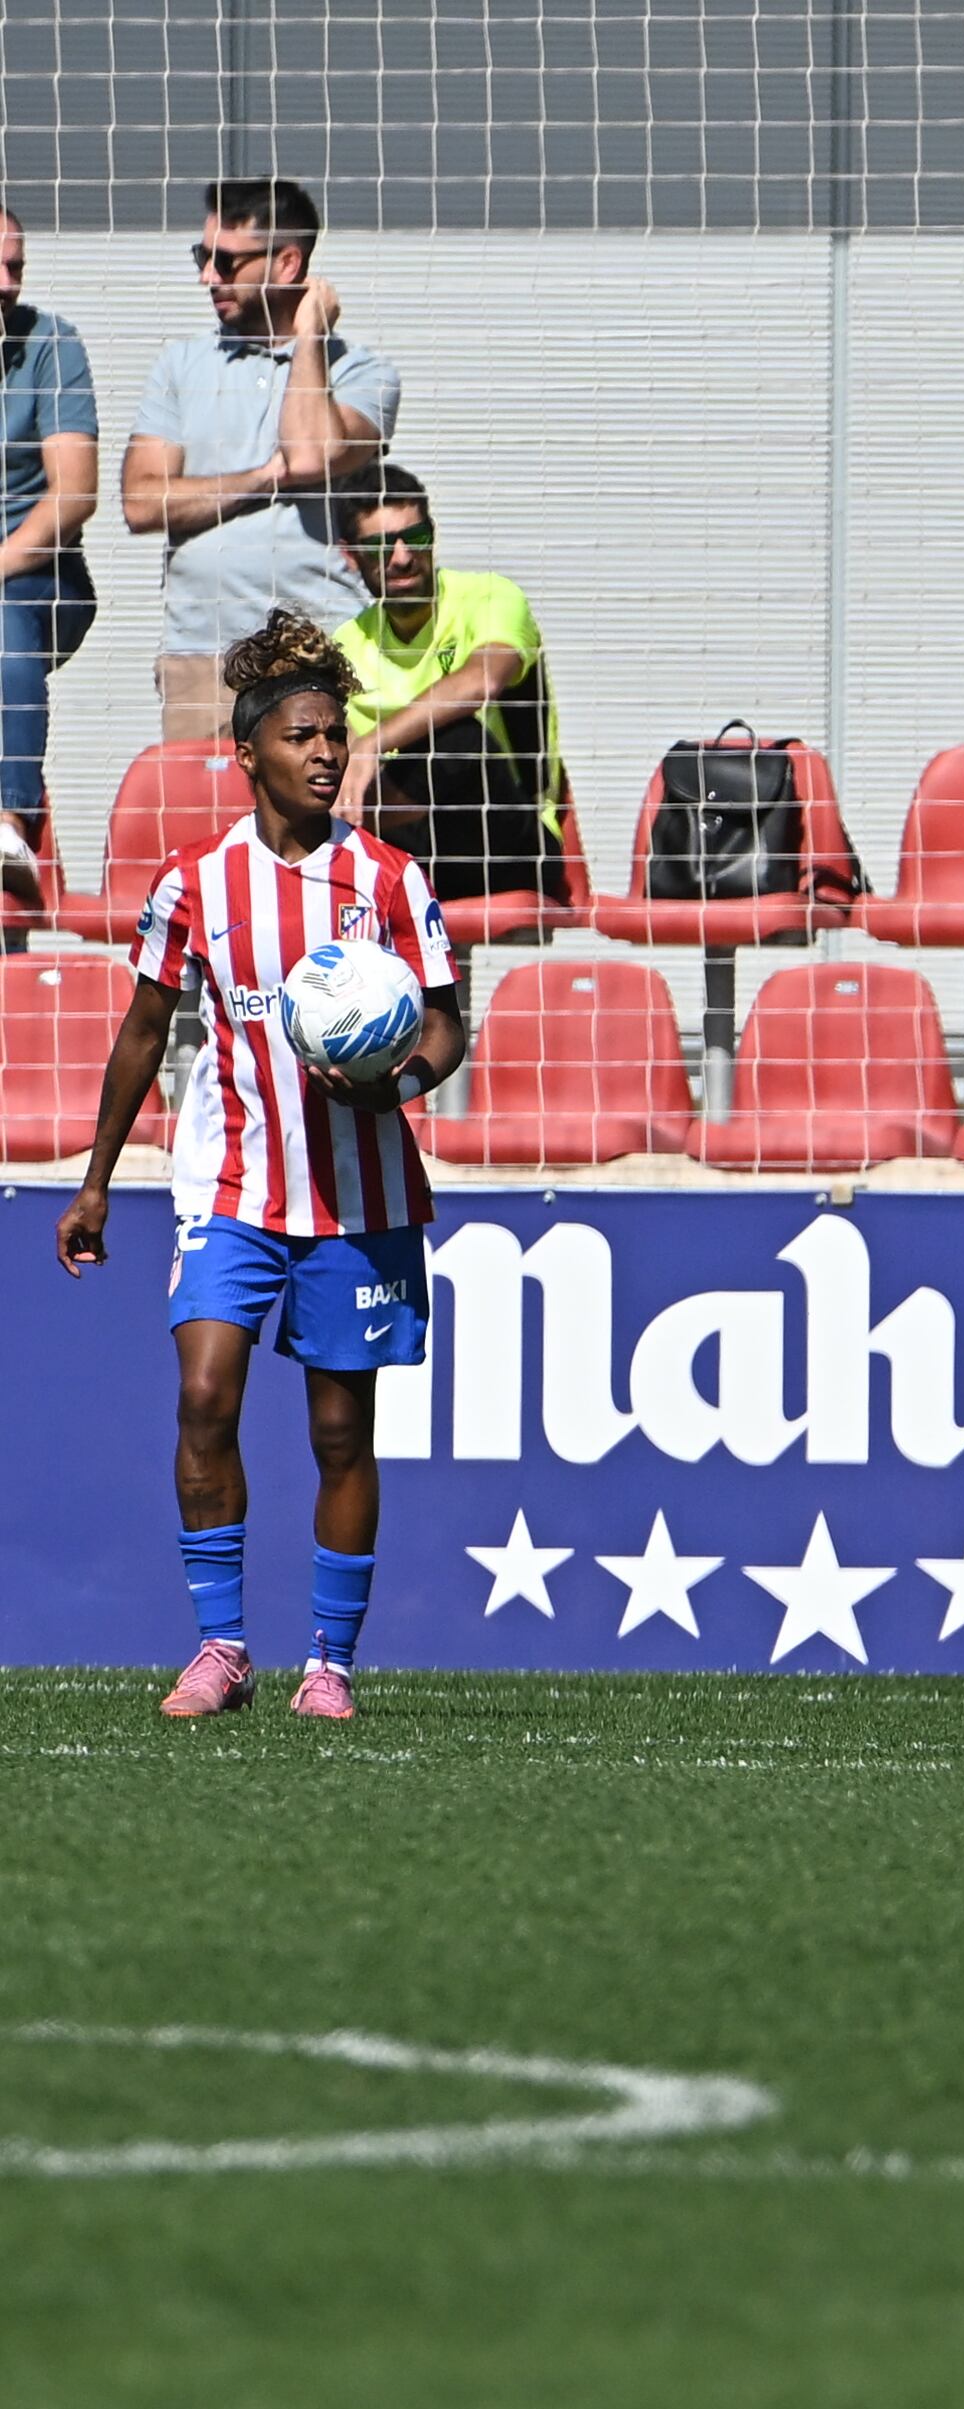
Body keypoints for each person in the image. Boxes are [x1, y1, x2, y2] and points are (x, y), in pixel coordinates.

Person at [52, 609, 467, 1722]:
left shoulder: (386, 877)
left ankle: (327, 1664)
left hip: (358, 1195)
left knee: (340, 1430)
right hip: (228, 1190)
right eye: (302, 736)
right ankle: (223, 1647)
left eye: (336, 733)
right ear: (249, 753)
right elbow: (144, 1031)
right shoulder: (196, 883)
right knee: (203, 1399)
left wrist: (399, 1086)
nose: (327, 752)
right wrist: (96, 1179)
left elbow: (444, 1025)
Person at [121, 181, 397, 743]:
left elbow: (311, 452)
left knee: (321, 826)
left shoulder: (362, 372)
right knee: (206, 827)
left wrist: (310, 336)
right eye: (202, 256)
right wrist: (266, 475)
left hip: (324, 646)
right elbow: (143, 502)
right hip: (204, 654)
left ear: (288, 262)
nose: (207, 277)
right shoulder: (180, 365)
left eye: (224, 260)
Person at [328, 465, 568, 909]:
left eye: (414, 538)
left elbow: (485, 679)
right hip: (401, 849)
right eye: (381, 545)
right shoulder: (347, 643)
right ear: (350, 555)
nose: (401, 558)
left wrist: (372, 745)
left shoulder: (490, 597)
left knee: (458, 741)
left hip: (507, 845)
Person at [1, 205, 101, 905]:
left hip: (39, 579)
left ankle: (8, 820)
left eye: (17, 266)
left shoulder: (49, 345)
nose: (8, 283)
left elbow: (73, 496)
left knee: (1, 612)